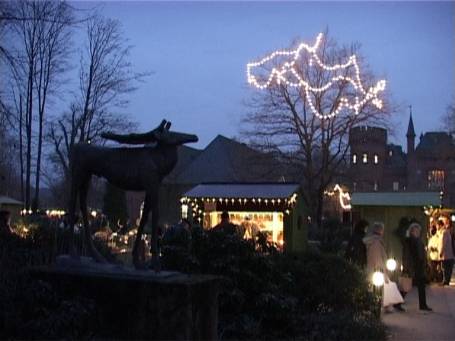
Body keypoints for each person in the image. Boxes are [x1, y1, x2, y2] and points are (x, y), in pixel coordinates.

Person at [406, 223, 432, 311]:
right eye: (417, 230)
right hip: (417, 266)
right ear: (413, 231)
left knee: (419, 285)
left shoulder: (414, 240)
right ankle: (423, 305)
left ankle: (423, 305)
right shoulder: (412, 240)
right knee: (409, 284)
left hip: (418, 266)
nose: (419, 232)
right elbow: (415, 254)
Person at [439, 219, 454, 286]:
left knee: (445, 268)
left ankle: (445, 280)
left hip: (446, 255)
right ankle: (447, 280)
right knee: (449, 268)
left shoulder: (445, 233)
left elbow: (443, 244)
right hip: (452, 254)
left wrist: (441, 252)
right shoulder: (451, 233)